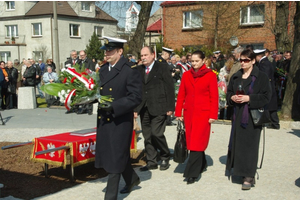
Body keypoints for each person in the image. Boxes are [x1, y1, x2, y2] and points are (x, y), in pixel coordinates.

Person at [95, 36, 142, 200]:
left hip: (120, 120)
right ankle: (132, 179)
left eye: (110, 51)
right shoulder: (102, 70)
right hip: (104, 120)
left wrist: (115, 106)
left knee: (115, 158)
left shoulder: (129, 70)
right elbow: (98, 92)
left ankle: (110, 197)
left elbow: (136, 97)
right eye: (105, 51)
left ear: (120, 52)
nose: (106, 54)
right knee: (114, 154)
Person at [225, 49, 271, 190]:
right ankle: (239, 170)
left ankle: (249, 175)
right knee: (238, 143)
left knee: (250, 145)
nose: (243, 63)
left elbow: (266, 97)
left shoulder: (261, 77)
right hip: (237, 114)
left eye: (246, 60)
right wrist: (232, 98)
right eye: (241, 60)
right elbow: (229, 94)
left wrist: (249, 98)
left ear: (252, 61)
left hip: (252, 115)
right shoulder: (236, 76)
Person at [175, 50, 219, 184]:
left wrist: (213, 114)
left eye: (196, 61)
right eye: (192, 61)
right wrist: (178, 112)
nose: (194, 64)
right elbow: (181, 94)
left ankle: (191, 173)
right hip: (189, 113)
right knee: (192, 141)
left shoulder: (210, 75)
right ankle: (202, 163)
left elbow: (214, 96)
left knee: (197, 142)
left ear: (203, 60)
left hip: (203, 114)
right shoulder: (187, 75)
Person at [134, 46, 175, 171]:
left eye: (146, 55)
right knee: (147, 135)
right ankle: (151, 160)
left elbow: (169, 87)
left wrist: (170, 107)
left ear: (153, 55)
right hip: (144, 107)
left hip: (159, 106)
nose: (143, 58)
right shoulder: (139, 69)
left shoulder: (162, 68)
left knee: (156, 133)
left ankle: (164, 155)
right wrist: (135, 108)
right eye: (142, 56)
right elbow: (137, 90)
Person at [254, 49, 280, 129]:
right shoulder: (264, 62)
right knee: (270, 106)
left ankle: (274, 123)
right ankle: (273, 123)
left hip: (267, 88)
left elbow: (265, 77)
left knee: (270, 106)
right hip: (269, 87)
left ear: (259, 56)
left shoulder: (264, 63)